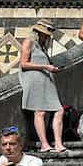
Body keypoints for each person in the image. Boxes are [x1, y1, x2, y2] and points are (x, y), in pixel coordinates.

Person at [19, 20, 67, 155]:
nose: (47, 36)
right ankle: (44, 144)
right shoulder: (29, 42)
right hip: (34, 79)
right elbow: (24, 64)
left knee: (59, 110)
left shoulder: (42, 47)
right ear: (39, 32)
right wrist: (45, 67)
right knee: (40, 111)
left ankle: (58, 143)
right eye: (46, 34)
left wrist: (52, 68)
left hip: (46, 79)